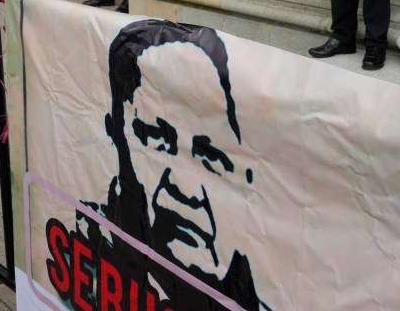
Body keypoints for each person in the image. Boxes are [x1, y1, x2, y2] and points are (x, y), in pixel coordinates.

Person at [73, 19, 264, 311]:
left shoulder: (251, 288)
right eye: (156, 137)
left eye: (210, 154)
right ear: (115, 130)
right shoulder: (85, 243)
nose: (185, 189)